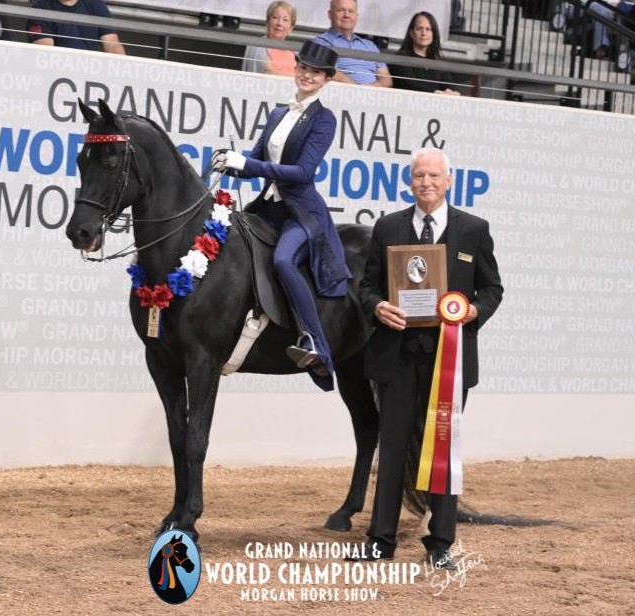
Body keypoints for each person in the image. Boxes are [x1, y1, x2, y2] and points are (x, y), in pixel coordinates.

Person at [357, 148, 503, 566]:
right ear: (409, 181)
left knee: (443, 448)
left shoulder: (474, 230)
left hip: (450, 358)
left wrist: (474, 311)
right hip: (397, 355)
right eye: (419, 175)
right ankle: (380, 539)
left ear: (449, 180)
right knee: (394, 446)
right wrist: (376, 306)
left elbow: (492, 289)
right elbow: (367, 285)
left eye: (434, 175)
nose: (426, 182)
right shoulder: (388, 227)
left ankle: (440, 542)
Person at [214, 41, 352, 392]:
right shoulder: (278, 114)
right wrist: (230, 163)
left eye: (315, 72)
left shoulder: (324, 119)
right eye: (303, 67)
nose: (307, 75)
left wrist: (249, 163)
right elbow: (256, 160)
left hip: (301, 212)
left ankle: (313, 340)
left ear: (325, 80)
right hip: (268, 208)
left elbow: (303, 172)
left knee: (283, 262)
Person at [313, 0, 392, 87]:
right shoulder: (322, 41)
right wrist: (357, 90)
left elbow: (386, 78)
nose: (347, 15)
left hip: (373, 96)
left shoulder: (370, 46)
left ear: (356, 16)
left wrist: (372, 89)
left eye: (351, 11)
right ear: (330, 14)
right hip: (341, 95)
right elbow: (329, 71)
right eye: (341, 10)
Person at [389, 12, 460, 95]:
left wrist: (453, 93)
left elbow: (451, 86)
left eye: (428, 29)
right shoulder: (401, 58)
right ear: (411, 33)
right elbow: (411, 85)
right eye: (419, 29)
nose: (424, 33)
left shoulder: (437, 61)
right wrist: (436, 93)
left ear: (433, 34)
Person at [27, 0, 125, 54]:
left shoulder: (95, 5)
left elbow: (112, 43)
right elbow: (45, 51)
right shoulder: (41, 7)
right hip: (59, 72)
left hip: (91, 71)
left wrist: (123, 68)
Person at [242, 1, 297, 76]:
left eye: (285, 20)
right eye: (275, 18)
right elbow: (267, 72)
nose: (279, 23)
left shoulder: (295, 53)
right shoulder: (257, 45)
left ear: (291, 28)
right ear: (267, 23)